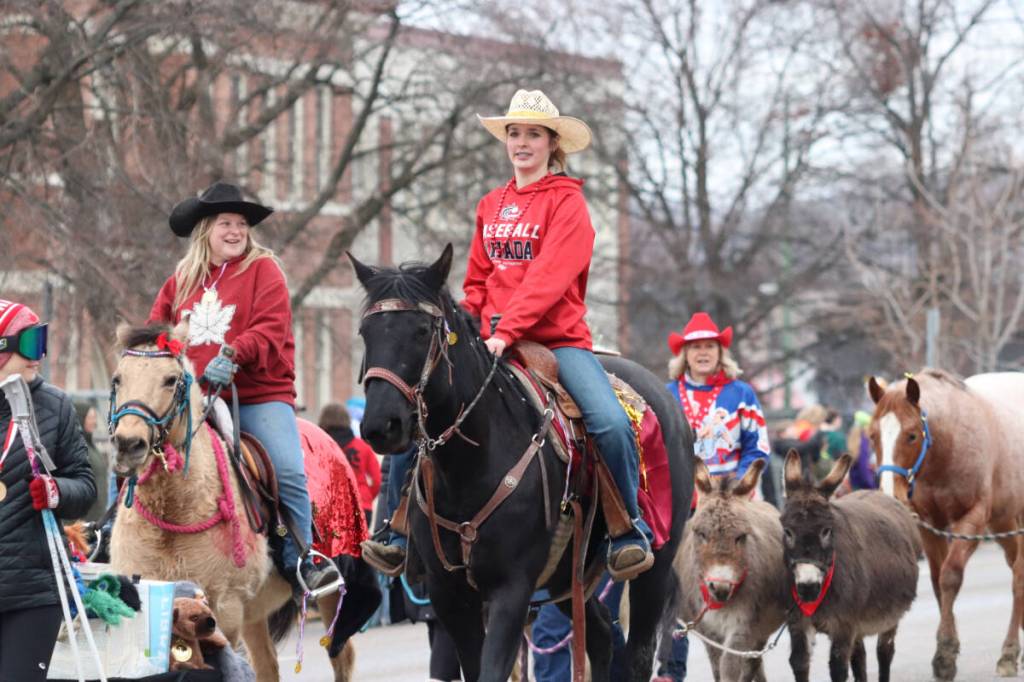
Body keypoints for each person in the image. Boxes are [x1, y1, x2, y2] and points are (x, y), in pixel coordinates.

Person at [362, 89, 654, 581]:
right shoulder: (491, 204)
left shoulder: (569, 203)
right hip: (489, 337)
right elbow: (477, 279)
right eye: (514, 134)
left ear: (551, 143)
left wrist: (508, 330)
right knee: (421, 407)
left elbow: (549, 278)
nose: (521, 143)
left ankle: (627, 530)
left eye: (532, 134)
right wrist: (467, 319)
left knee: (610, 422)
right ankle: (394, 531)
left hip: (556, 341)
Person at [148, 181, 334, 593]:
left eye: (242, 224)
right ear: (205, 230)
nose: (235, 231)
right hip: (192, 398)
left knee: (286, 469)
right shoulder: (180, 279)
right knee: (142, 447)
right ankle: (118, 536)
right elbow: (158, 330)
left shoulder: (264, 269)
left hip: (257, 393)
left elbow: (270, 329)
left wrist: (231, 355)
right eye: (226, 223)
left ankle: (301, 557)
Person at [663, 311, 771, 680]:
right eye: (696, 348)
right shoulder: (668, 394)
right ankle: (670, 667)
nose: (703, 353)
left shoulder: (741, 393)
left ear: (720, 352)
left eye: (710, 346)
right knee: (673, 590)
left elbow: (758, 448)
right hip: (683, 504)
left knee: (748, 581)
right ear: (685, 354)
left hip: (732, 504)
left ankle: (751, 650)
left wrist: (735, 489)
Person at [0, 299, 96, 680]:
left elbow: (86, 486)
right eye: (27, 345)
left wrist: (56, 491)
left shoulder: (54, 405)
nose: (37, 356)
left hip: (34, 589)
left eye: (41, 343)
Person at [318, 402, 381, 527]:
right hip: (361, 504)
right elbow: (378, 479)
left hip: (329, 506)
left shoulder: (320, 445)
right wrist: (367, 497)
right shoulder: (363, 446)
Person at [74, 402, 109, 523]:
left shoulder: (91, 446)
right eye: (91, 418)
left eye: (95, 418)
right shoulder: (76, 447)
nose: (94, 422)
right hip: (83, 519)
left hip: (96, 517)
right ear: (81, 418)